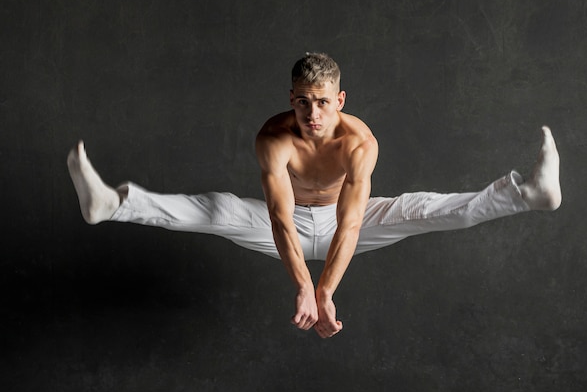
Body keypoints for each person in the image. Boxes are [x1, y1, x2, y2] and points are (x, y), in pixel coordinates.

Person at [67, 52, 561, 339]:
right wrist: (303, 286)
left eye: (323, 102)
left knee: (423, 207)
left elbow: (349, 225)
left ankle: (528, 194)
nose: (313, 114)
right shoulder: (273, 139)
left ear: (340, 100)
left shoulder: (359, 143)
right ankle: (114, 204)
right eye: (303, 102)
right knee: (219, 209)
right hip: (284, 229)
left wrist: (325, 291)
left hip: (350, 225)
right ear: (291, 99)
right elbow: (280, 221)